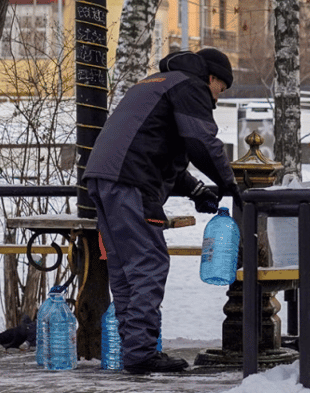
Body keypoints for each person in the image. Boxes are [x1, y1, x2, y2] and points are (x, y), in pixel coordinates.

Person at [84, 48, 242, 374]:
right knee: (148, 264)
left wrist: (197, 189)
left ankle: (135, 351)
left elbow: (154, 147)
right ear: (211, 77)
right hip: (130, 183)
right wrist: (230, 186)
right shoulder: (190, 85)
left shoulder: (156, 83)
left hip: (103, 179)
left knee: (126, 269)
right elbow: (202, 141)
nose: (216, 99)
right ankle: (142, 353)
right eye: (220, 89)